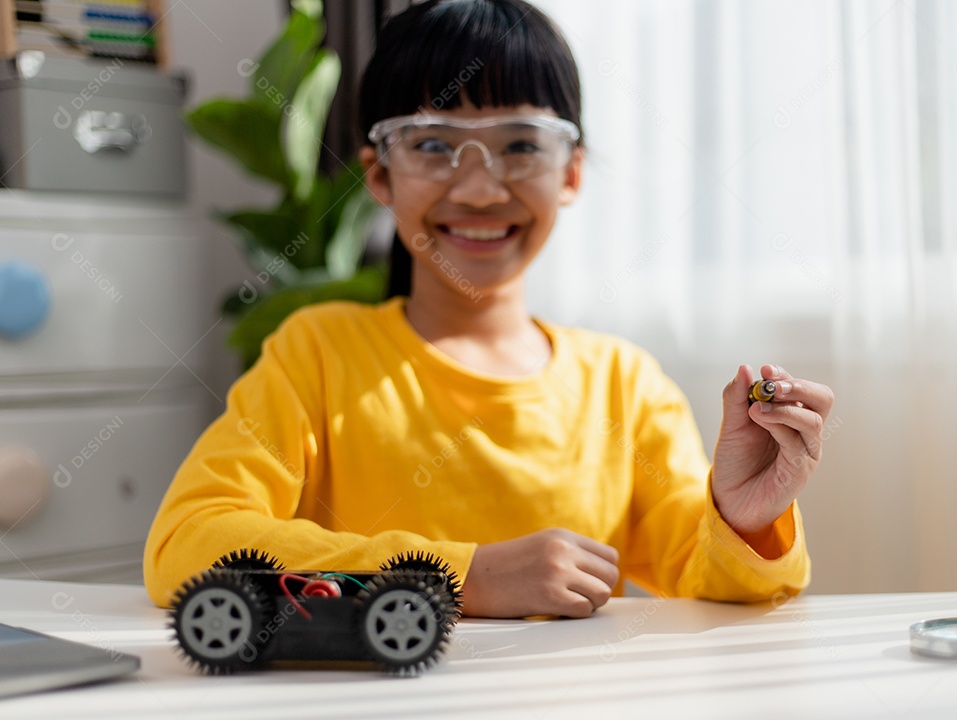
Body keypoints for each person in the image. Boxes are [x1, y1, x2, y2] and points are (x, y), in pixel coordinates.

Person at [143, 0, 834, 618]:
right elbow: (188, 543)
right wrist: (459, 576)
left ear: (570, 172)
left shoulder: (624, 382)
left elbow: (708, 574)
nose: (478, 189)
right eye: (435, 145)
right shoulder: (316, 353)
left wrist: (742, 518)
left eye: (521, 145)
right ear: (379, 173)